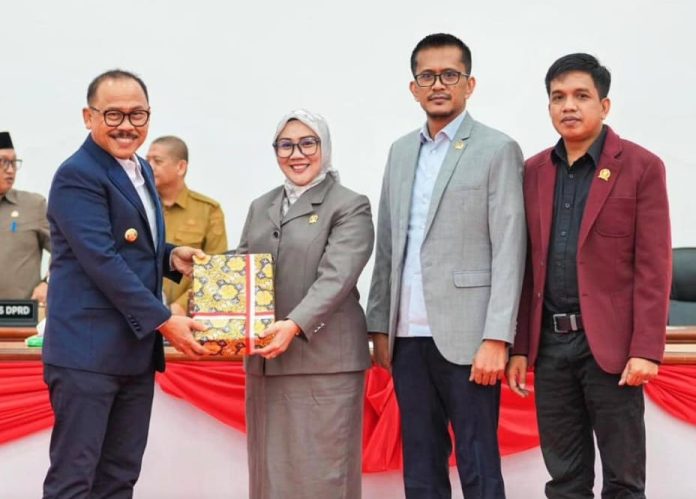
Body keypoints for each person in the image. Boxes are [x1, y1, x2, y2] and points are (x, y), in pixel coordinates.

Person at [366, 33, 526, 498]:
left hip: (470, 338)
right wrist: (380, 324)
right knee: (420, 466)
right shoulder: (400, 151)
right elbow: (389, 241)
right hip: (407, 337)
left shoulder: (497, 148)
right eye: (427, 76)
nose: (438, 85)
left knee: (478, 464)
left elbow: (510, 248)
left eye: (450, 75)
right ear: (413, 87)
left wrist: (497, 337)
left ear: (469, 84)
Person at [506, 53, 671, 498]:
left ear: (605, 105)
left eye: (581, 96)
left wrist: (646, 349)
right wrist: (520, 346)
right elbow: (525, 266)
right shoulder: (534, 172)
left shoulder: (640, 166)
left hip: (611, 350)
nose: (569, 106)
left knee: (623, 480)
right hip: (550, 348)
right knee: (565, 480)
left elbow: (654, 267)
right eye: (558, 97)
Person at [42, 69, 208, 499]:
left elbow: (130, 244)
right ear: (89, 117)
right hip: (87, 355)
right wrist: (164, 320)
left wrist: (170, 256)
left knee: (119, 479)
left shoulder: (139, 169)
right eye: (113, 114)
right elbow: (102, 259)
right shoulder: (77, 174)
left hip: (132, 354)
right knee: (74, 481)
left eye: (137, 114)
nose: (127, 125)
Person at [238, 109, 374, 499]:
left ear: (324, 147)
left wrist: (294, 325)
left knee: (323, 476)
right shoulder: (261, 205)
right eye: (285, 145)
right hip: (267, 362)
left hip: (323, 363)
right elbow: (245, 268)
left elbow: (336, 278)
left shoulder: (349, 205)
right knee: (269, 477)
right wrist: (201, 269)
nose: (296, 154)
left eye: (307, 143)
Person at [147, 135, 228, 315]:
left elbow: (216, 269)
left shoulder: (208, 210)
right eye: (147, 160)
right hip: (140, 315)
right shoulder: (140, 207)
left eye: (157, 161)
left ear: (181, 167)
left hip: (188, 317)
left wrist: (179, 307)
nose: (149, 166)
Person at [0, 131, 51, 303]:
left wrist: (48, 282)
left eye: (13, 162)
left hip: (20, 313)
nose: (10, 170)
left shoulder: (33, 206)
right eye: (3, 162)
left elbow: (64, 249)